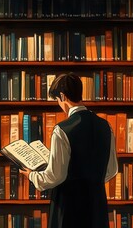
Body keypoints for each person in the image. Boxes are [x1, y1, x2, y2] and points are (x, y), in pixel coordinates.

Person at [19, 72, 118, 228]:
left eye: (57, 100)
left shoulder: (62, 130)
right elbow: (112, 169)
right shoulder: (106, 126)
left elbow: (55, 176)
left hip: (69, 206)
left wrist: (32, 175)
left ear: (63, 97)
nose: (59, 104)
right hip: (96, 204)